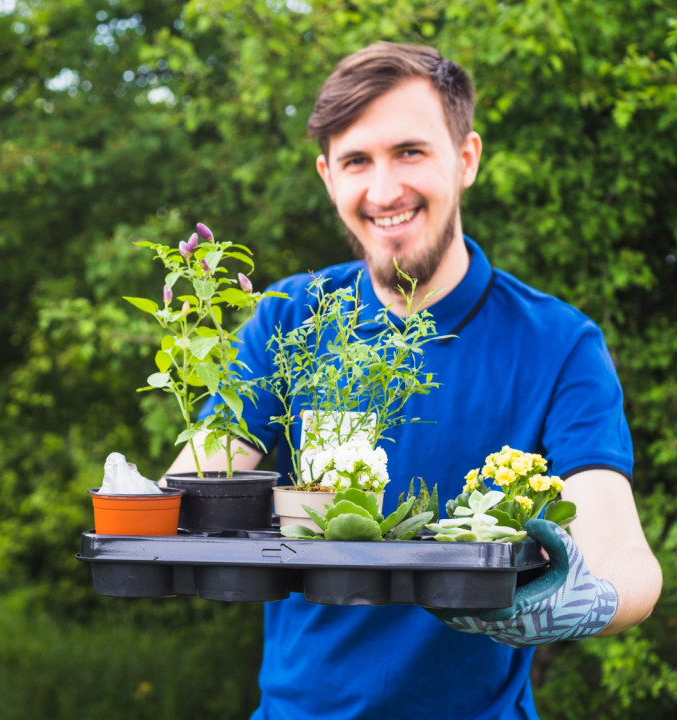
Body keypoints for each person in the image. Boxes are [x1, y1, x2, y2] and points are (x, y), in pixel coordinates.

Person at [165, 42, 662, 719]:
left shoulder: (556, 344)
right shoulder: (287, 319)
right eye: (357, 162)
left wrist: (587, 599)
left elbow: (625, 557)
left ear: (466, 159)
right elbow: (198, 489)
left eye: (410, 152)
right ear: (327, 177)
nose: (385, 189)